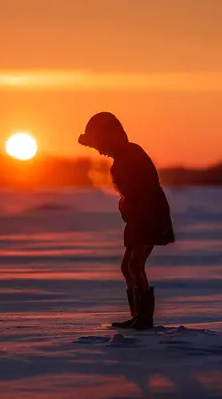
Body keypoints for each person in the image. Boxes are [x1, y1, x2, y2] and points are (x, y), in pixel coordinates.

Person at [78, 112, 175, 330]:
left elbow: (143, 191)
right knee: (128, 266)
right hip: (138, 219)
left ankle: (144, 318)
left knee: (134, 265)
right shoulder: (123, 159)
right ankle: (137, 315)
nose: (100, 152)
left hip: (148, 218)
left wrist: (132, 207)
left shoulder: (131, 155)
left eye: (99, 146)